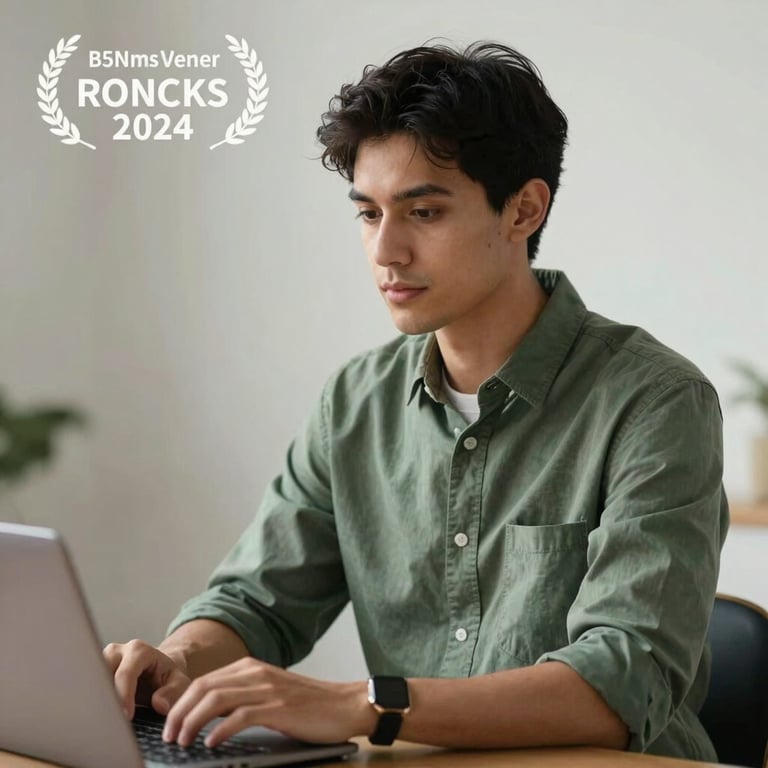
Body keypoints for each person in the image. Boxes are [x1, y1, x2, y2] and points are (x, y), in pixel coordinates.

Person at [104, 41, 728, 761]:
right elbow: (255, 602)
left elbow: (621, 682)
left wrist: (362, 705)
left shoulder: (656, 403)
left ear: (523, 210)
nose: (386, 251)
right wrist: (177, 660)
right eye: (369, 214)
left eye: (423, 212)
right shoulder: (355, 403)